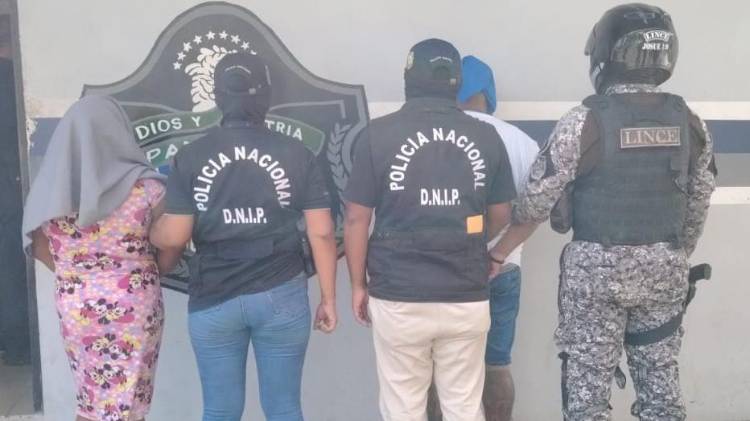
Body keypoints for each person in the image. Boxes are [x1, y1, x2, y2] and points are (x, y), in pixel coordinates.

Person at [491, 4, 716, 420]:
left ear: (606, 55)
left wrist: (497, 249)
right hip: (664, 271)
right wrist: (672, 253)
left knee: (587, 398)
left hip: (595, 278)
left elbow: (537, 201)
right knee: (661, 391)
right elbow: (700, 198)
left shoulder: (584, 121)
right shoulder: (689, 120)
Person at [149, 52, 338, 421]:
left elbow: (174, 236)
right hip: (281, 291)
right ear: (265, 94)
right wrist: (328, 299)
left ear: (218, 96)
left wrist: (152, 228)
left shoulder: (191, 155)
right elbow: (323, 232)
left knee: (220, 410)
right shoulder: (297, 153)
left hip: (214, 295)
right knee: (284, 408)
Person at [344, 39, 517, 421]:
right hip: (465, 293)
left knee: (403, 407)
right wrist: (473, 242)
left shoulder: (377, 135)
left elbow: (356, 218)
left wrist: (357, 284)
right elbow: (502, 213)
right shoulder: (486, 136)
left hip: (398, 293)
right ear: (457, 82)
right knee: (463, 406)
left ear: (409, 79)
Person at [23, 95, 180, 421]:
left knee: (90, 401)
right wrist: (149, 274)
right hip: (135, 303)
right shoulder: (148, 188)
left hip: (77, 304)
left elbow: (36, 244)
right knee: (131, 404)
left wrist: (76, 276)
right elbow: (171, 243)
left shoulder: (50, 190)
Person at [426, 55, 540, 421]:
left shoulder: (430, 135)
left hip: (440, 271)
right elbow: (537, 210)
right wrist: (497, 253)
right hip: (502, 269)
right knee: (496, 364)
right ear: (488, 94)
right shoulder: (521, 142)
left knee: (434, 367)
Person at [0, 24, 30, 365]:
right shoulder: (11, 79)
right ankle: (20, 344)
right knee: (11, 265)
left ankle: (12, 342)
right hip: (11, 184)